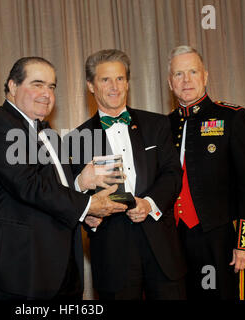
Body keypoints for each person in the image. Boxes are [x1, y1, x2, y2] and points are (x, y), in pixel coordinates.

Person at [0, 56, 127, 300]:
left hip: (62, 266)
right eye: (37, 84)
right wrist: (87, 206)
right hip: (19, 268)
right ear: (12, 87)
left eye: (51, 86)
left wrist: (80, 185)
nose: (46, 93)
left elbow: (56, 189)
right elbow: (29, 185)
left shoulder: (50, 134)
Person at [66, 49, 187, 300]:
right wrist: (86, 214)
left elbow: (172, 173)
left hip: (161, 247)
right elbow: (70, 194)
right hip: (112, 251)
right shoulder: (76, 139)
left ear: (128, 82)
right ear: (90, 85)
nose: (114, 86)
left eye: (120, 79)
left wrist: (149, 203)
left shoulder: (157, 124)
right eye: (105, 80)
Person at [167, 45, 245, 299]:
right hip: (175, 238)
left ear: (205, 76)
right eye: (179, 74)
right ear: (170, 83)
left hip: (221, 237)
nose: (186, 80)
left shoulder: (233, 117)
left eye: (193, 71)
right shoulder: (164, 126)